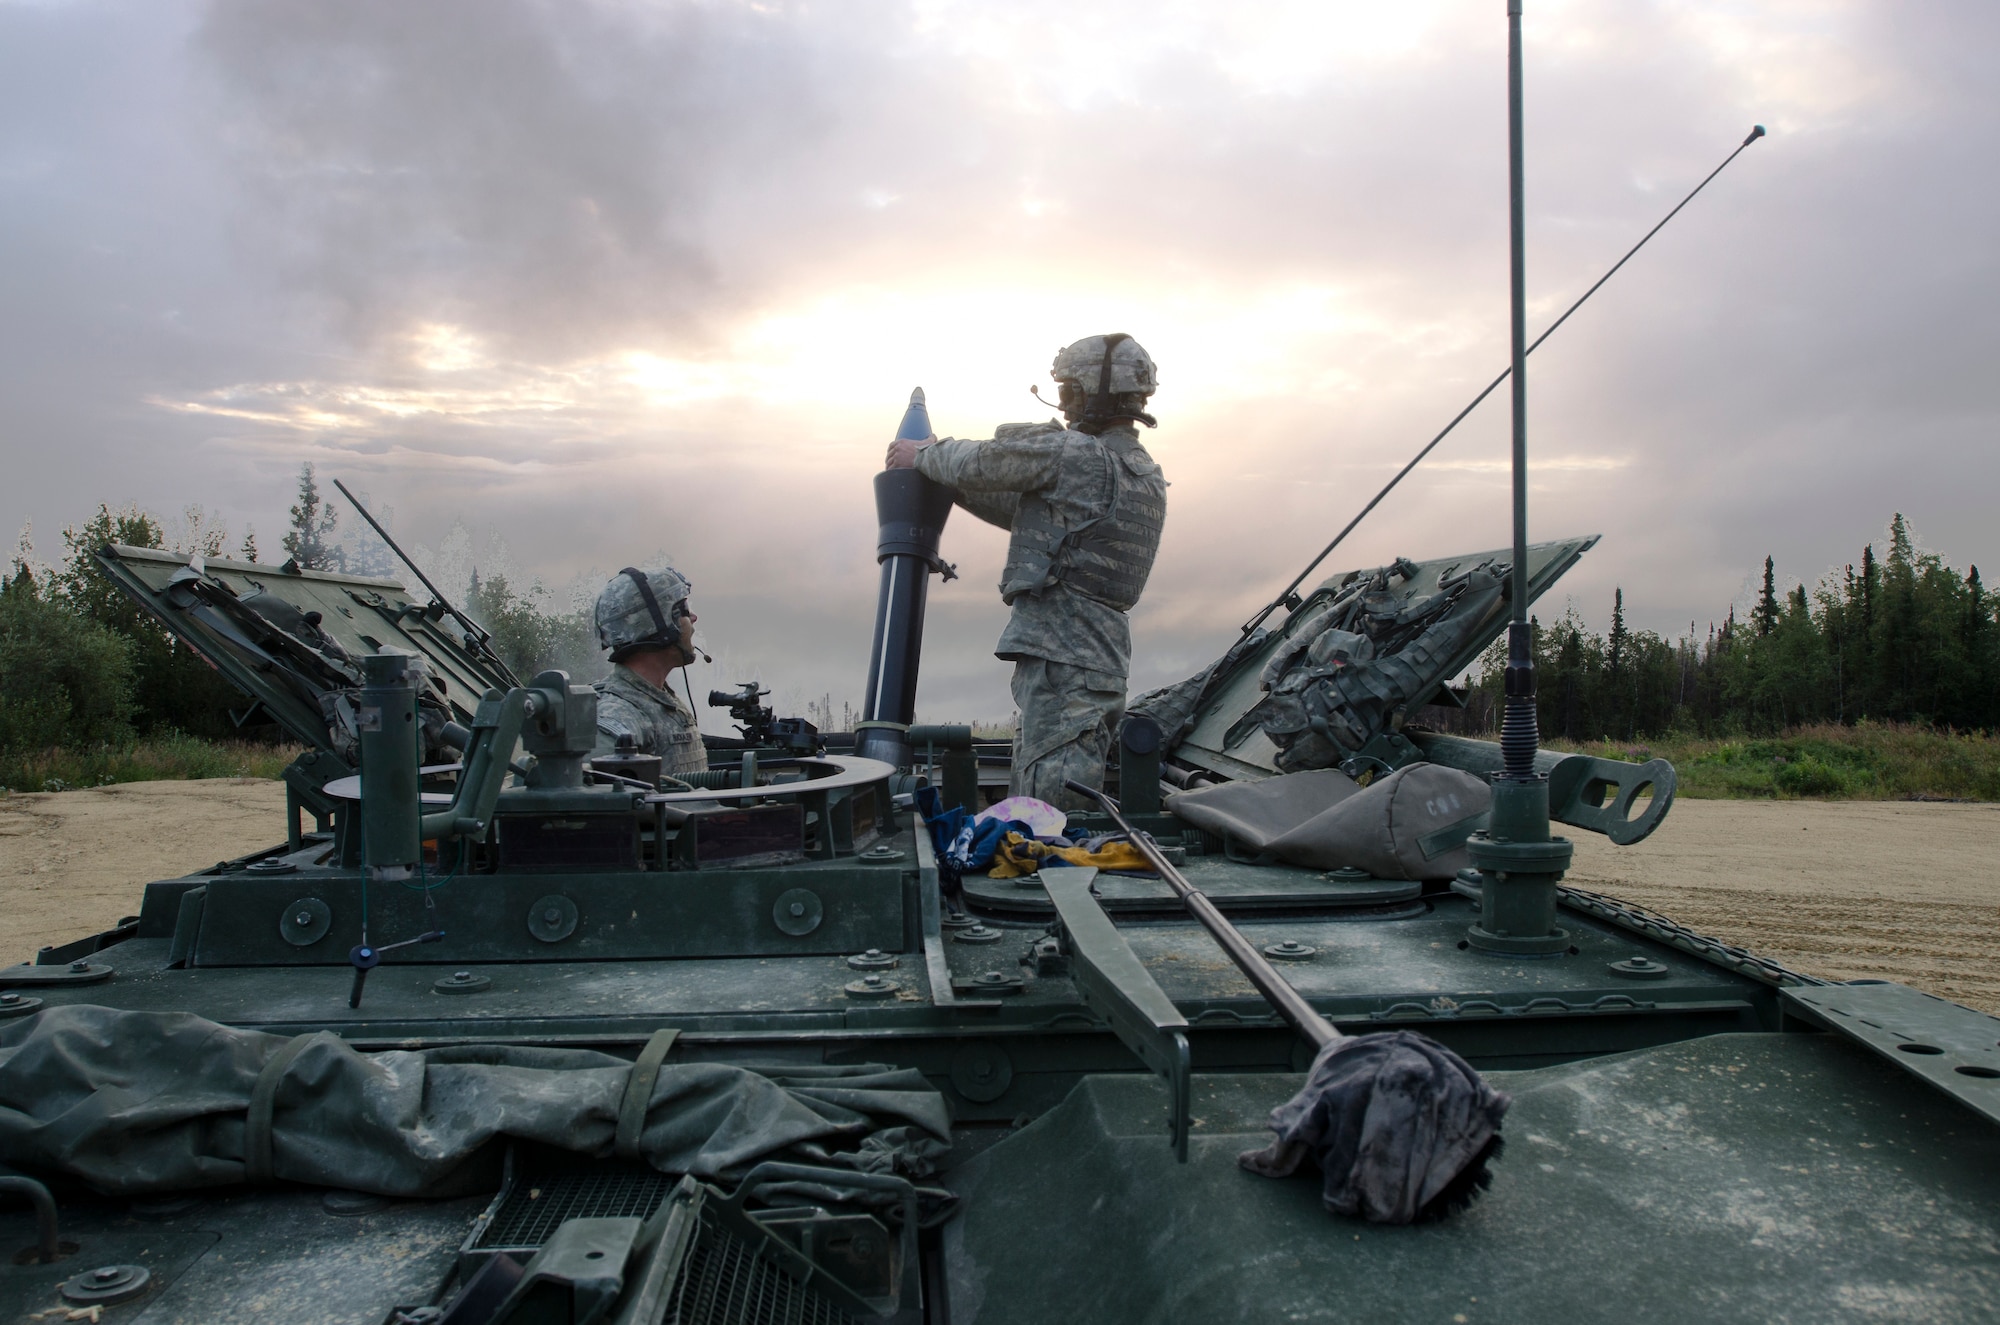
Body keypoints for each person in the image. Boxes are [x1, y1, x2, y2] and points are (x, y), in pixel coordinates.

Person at [885, 334, 1167, 810]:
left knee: (1048, 812)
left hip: (1064, 654)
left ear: (1085, 394)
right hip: (1091, 657)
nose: (1065, 405)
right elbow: (1029, 512)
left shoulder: (1077, 456)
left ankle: (1048, 884)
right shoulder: (1138, 471)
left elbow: (985, 463)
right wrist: (948, 483)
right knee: (1049, 790)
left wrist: (927, 456)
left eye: (1068, 392)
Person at [591, 566, 709, 778]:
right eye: (683, 609)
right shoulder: (616, 717)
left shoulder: (658, 701)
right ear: (661, 624)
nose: (693, 617)